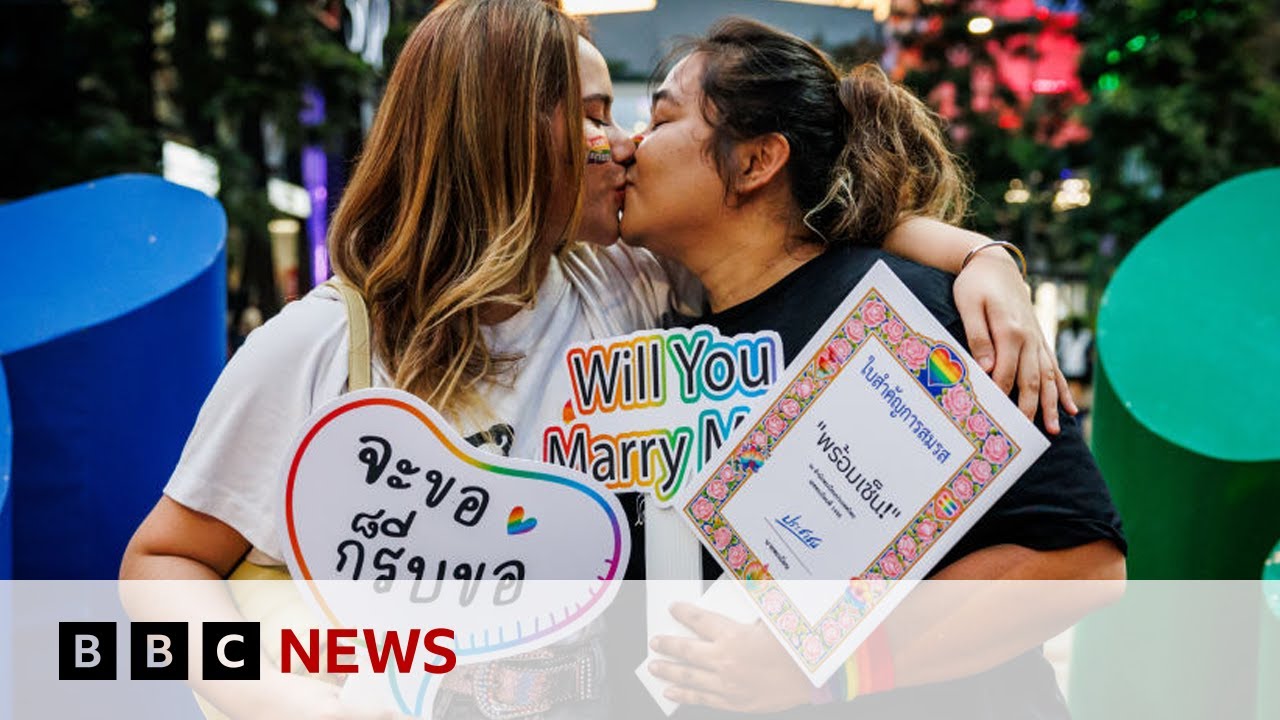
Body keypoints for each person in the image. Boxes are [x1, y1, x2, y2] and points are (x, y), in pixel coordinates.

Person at [120, 2, 1078, 718]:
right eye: (587, 113)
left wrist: (977, 257)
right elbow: (161, 563)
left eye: (636, 116)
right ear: (491, 131)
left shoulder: (624, 285)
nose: (620, 141)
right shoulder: (319, 344)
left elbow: (793, 226)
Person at [621, 18, 1127, 717]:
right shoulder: (660, 331)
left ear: (755, 161)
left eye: (660, 118)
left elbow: (1081, 562)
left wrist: (833, 673)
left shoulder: (908, 315)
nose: (627, 146)